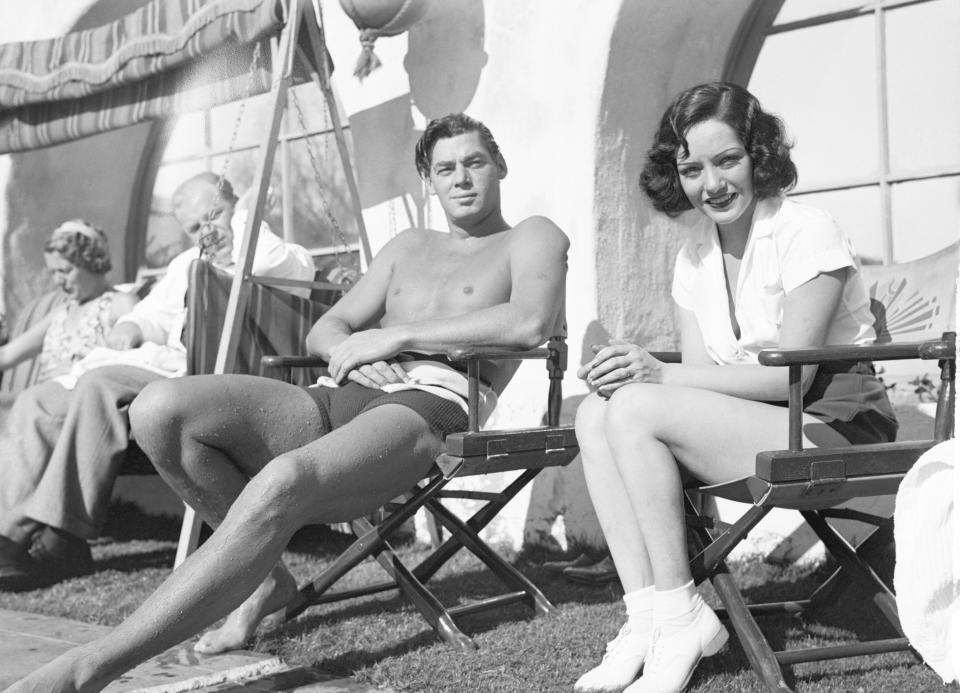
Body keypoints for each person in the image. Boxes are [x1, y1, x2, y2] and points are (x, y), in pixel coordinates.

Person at [5, 112, 569, 692]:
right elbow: (328, 328)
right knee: (158, 408)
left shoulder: (532, 235)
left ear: (498, 164)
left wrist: (397, 336)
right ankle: (266, 579)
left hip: (429, 405)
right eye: (445, 168)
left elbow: (528, 323)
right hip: (341, 392)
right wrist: (352, 346)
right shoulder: (408, 246)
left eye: (475, 162)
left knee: (282, 481)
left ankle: (88, 668)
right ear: (429, 180)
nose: (462, 179)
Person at [571, 82, 897, 693]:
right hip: (762, 426)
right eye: (692, 168)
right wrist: (632, 376)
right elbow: (705, 382)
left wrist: (657, 375)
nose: (711, 184)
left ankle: (681, 613)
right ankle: (648, 616)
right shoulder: (694, 253)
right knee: (596, 411)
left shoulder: (807, 230)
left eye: (728, 160)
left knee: (638, 403)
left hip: (834, 429)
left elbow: (786, 374)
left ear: (759, 156)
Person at [0, 172, 315, 592]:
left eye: (214, 214)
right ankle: (11, 530)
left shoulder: (272, 250)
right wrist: (132, 325)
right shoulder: (184, 264)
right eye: (193, 227)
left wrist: (239, 224)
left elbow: (271, 264)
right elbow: (154, 313)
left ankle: (57, 537)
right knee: (38, 399)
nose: (206, 231)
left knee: (98, 384)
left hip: (205, 376)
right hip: (159, 364)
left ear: (236, 207)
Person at [0, 220, 136, 386]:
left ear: (92, 263)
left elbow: (137, 362)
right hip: (41, 401)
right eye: (53, 272)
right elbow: (6, 355)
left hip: (83, 401)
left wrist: (78, 369)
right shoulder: (61, 313)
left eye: (65, 271)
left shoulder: (119, 304)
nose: (58, 281)